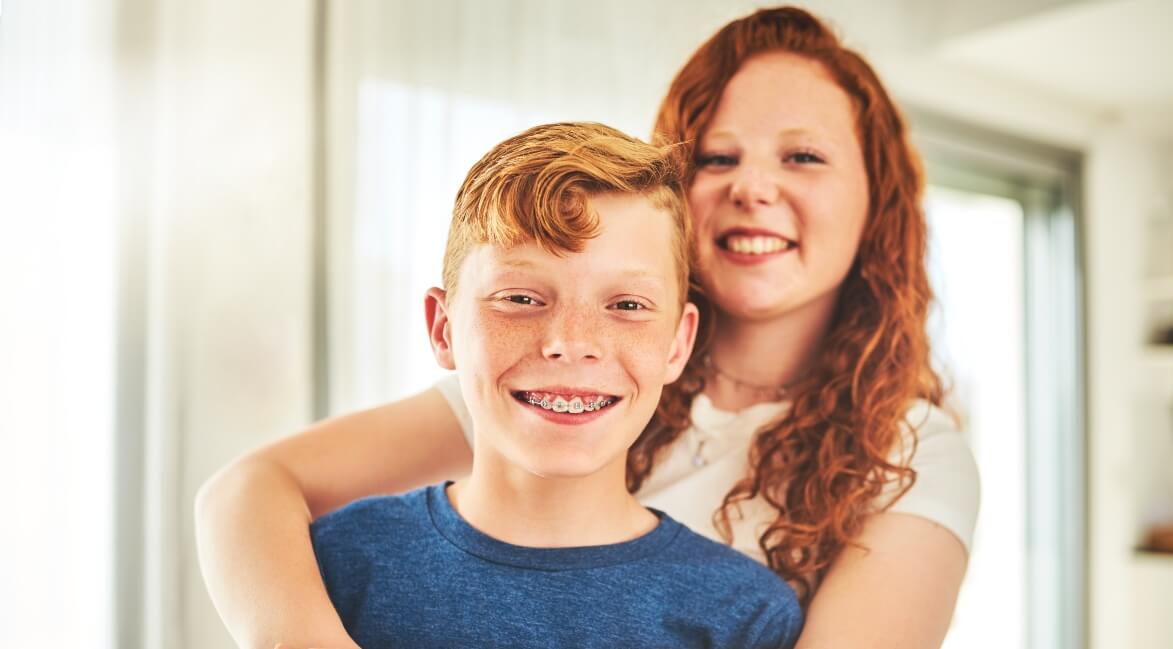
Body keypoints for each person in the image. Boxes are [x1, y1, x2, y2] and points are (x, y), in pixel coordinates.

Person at [195, 7, 979, 649]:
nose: (754, 187)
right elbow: (248, 492)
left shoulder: (910, 453)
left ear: (877, 201)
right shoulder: (544, 378)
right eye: (715, 156)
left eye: (803, 157)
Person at [306, 121, 803, 649]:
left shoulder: (745, 617)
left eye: (627, 305)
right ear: (443, 328)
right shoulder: (334, 563)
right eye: (520, 299)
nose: (570, 342)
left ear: (677, 345)